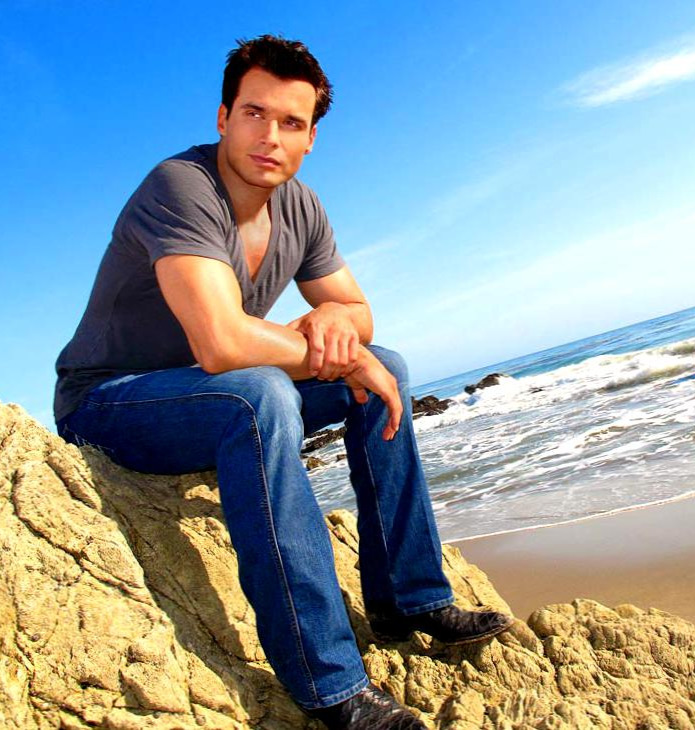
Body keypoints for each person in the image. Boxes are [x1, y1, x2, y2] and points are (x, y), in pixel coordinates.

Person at [54, 35, 513, 729]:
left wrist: (332, 318)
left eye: (291, 122)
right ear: (223, 117)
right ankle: (330, 686)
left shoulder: (301, 207)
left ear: (310, 138)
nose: (270, 136)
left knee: (384, 367)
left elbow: (357, 311)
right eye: (254, 113)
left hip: (206, 391)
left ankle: (409, 598)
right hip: (111, 402)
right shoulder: (180, 187)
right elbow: (221, 343)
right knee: (261, 395)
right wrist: (339, 354)